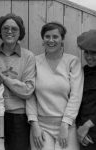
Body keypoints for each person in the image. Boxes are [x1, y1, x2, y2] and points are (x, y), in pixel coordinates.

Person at [26, 22, 84, 150]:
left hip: (67, 125)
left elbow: (76, 95)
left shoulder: (72, 62)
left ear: (62, 39)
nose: (51, 40)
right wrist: (34, 124)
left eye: (55, 37)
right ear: (43, 39)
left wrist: (65, 124)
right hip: (41, 126)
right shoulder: (34, 61)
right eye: (47, 36)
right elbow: (29, 94)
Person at [0, 13, 36, 150]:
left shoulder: (28, 57)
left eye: (14, 29)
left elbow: (28, 90)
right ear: (0, 31)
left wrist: (2, 78)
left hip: (18, 117)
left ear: (20, 32)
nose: (9, 31)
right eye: (5, 28)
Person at [76, 30, 96, 150]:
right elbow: (78, 102)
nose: (88, 57)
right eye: (86, 52)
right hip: (86, 137)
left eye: (93, 53)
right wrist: (80, 128)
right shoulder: (83, 72)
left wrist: (88, 125)